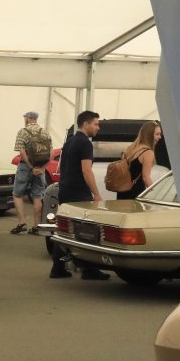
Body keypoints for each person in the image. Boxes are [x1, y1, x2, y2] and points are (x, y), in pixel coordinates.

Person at [51, 110, 106, 279]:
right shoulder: (85, 144)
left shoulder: (69, 142)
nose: (98, 128)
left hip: (65, 189)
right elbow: (86, 170)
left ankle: (58, 267)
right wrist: (96, 194)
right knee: (88, 230)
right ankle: (89, 269)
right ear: (86, 124)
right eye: (96, 124)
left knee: (64, 228)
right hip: (79, 193)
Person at [10, 111, 52, 234]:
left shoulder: (22, 132)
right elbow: (51, 153)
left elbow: (22, 152)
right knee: (37, 196)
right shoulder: (45, 132)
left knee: (17, 194)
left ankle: (22, 223)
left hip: (25, 167)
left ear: (28, 119)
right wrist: (41, 168)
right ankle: (36, 226)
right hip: (40, 168)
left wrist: (31, 167)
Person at [114, 120, 162, 200]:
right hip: (136, 194)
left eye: (160, 134)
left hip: (122, 193)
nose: (160, 137)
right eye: (157, 134)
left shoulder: (129, 149)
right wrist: (156, 195)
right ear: (149, 135)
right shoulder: (148, 152)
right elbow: (146, 178)